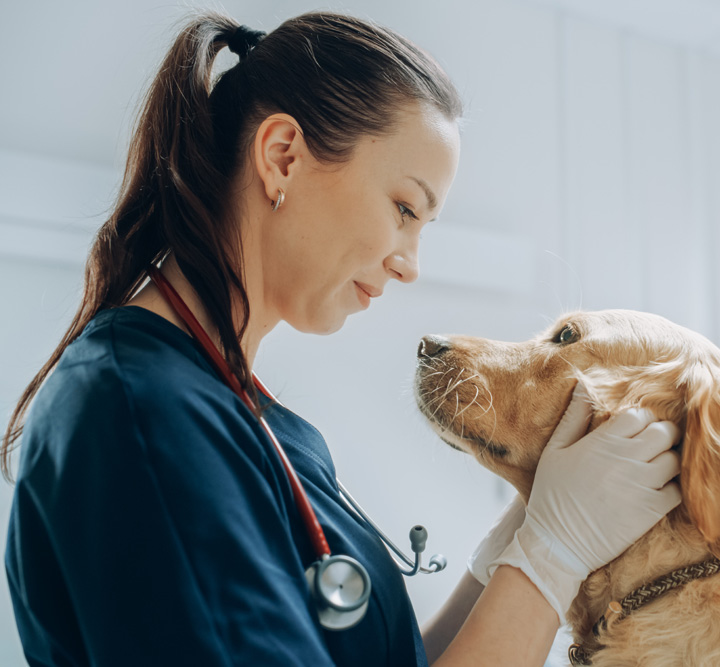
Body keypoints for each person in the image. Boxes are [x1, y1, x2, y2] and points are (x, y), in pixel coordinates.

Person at [2, 10, 682, 666]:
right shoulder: (142, 414)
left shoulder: (253, 419)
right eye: (405, 208)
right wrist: (552, 555)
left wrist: (511, 549)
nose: (410, 263)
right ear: (282, 157)